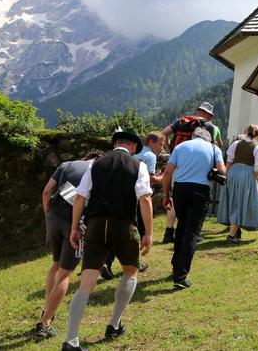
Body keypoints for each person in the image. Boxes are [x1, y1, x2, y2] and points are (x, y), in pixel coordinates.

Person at [61, 129, 153, 351]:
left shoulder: (95, 164)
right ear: (132, 146)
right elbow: (145, 199)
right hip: (123, 226)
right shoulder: (138, 165)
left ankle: (71, 340)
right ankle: (113, 324)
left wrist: (75, 227)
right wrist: (148, 232)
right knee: (130, 272)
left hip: (95, 226)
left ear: (115, 145)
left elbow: (80, 197)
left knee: (86, 284)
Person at [32, 150, 103, 339]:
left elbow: (47, 192)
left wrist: (48, 215)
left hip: (53, 217)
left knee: (55, 264)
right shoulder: (98, 173)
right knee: (66, 272)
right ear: (98, 160)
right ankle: (44, 323)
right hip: (76, 225)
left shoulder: (67, 165)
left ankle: (48, 309)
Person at [160, 126, 225, 289]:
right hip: (200, 190)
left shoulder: (180, 147)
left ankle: (176, 263)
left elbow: (167, 172)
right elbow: (223, 171)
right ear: (208, 138)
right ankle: (180, 276)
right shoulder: (213, 148)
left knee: (181, 227)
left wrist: (166, 194)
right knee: (192, 232)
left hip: (180, 189)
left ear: (193, 136)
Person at [100, 132, 165, 279]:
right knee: (138, 231)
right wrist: (162, 178)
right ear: (151, 142)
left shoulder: (132, 154)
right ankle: (135, 262)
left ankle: (106, 262)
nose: (162, 148)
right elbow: (148, 180)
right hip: (138, 198)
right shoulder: (151, 156)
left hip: (120, 198)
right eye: (160, 144)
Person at [158, 102, 219, 243]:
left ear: (198, 111)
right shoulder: (209, 126)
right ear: (209, 115)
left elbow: (162, 134)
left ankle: (168, 233)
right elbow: (212, 148)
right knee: (195, 200)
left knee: (174, 197)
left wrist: (170, 151)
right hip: (197, 166)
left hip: (177, 163)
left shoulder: (181, 121)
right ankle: (192, 232)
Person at [217, 125, 258, 243]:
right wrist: (257, 183)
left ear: (246, 132)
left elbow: (228, 162)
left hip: (233, 172)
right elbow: (257, 169)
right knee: (241, 202)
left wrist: (226, 176)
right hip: (247, 175)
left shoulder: (236, 144)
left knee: (234, 201)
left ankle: (235, 232)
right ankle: (232, 236)